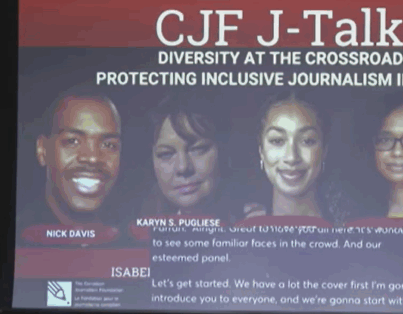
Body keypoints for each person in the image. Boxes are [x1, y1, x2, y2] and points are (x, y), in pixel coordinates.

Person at [19, 88, 123, 243]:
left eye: (108, 145)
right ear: (42, 150)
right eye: (72, 141)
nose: (92, 158)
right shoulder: (21, 240)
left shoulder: (132, 239)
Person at [243, 90, 352, 224]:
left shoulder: (351, 230)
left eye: (307, 141)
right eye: (277, 141)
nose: (292, 157)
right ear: (261, 151)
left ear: (324, 151)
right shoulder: (243, 228)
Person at [138, 94, 245, 221]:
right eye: (166, 154)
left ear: (224, 150)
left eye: (197, 149)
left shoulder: (255, 226)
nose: (183, 167)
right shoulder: (138, 234)